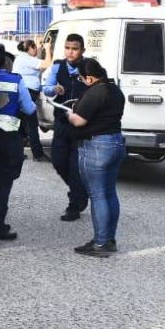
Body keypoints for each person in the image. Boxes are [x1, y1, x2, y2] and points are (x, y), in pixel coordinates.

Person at [67, 58, 126, 257]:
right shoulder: (115, 90)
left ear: (90, 78)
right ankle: (109, 239)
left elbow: (78, 120)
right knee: (110, 193)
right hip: (116, 143)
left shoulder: (95, 92)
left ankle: (100, 244)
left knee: (98, 195)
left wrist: (68, 114)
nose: (82, 82)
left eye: (83, 79)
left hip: (97, 146)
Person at [0, 45, 37, 242]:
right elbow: (29, 109)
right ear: (4, 61)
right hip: (8, 138)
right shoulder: (15, 80)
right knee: (3, 183)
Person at [42, 33, 90, 221]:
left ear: (82, 50)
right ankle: (80, 192)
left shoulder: (88, 67)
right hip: (62, 122)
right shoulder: (57, 67)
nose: (70, 52)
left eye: (75, 48)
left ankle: (75, 204)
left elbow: (99, 87)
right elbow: (45, 88)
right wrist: (54, 89)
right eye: (68, 48)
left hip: (81, 125)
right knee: (58, 161)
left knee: (75, 166)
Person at [12, 40, 47, 161]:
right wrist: (47, 48)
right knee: (32, 123)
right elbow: (47, 64)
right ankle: (38, 154)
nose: (37, 51)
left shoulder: (23, 58)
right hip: (26, 93)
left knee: (21, 125)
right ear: (30, 48)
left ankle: (17, 153)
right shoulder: (25, 59)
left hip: (25, 92)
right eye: (35, 48)